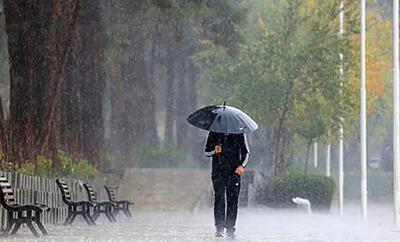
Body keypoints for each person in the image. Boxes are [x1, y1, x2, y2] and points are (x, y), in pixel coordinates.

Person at [204, 131, 250, 239]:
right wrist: (214, 151)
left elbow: (246, 152)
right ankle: (219, 228)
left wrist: (242, 166)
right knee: (219, 198)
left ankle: (230, 229)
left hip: (234, 172)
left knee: (233, 200)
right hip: (218, 172)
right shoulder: (214, 132)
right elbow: (206, 151)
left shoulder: (239, 132)